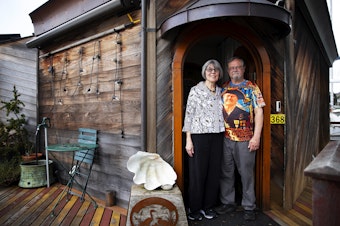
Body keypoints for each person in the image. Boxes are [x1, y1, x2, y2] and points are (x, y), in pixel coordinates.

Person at [215, 56, 265, 221]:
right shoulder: (223, 88)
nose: (235, 69)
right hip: (225, 138)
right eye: (231, 67)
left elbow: (259, 113)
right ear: (228, 71)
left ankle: (249, 206)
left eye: (238, 67)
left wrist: (256, 137)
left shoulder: (252, 88)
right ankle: (228, 202)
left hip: (246, 139)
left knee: (246, 174)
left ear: (243, 69)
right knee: (226, 172)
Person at [182, 59, 225, 221]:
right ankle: (194, 209)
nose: (212, 72)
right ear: (204, 72)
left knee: (214, 173)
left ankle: (208, 207)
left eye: (215, 70)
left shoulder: (222, 92)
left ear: (219, 73)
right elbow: (189, 115)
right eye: (209, 70)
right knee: (197, 173)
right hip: (199, 136)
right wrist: (188, 139)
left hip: (218, 136)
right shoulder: (196, 90)